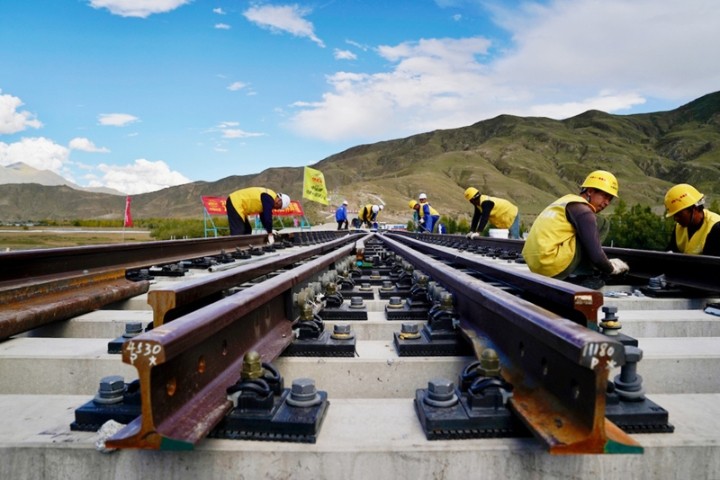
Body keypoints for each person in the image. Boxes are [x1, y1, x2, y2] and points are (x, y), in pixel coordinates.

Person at [521, 170, 629, 289]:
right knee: (602, 222)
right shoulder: (583, 211)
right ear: (590, 191)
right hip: (552, 266)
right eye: (604, 196)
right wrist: (611, 268)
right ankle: (581, 275)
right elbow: (596, 256)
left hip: (536, 265)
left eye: (610, 199)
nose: (607, 203)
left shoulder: (564, 201)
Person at [664, 184, 720, 256]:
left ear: (694, 208)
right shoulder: (679, 228)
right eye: (674, 215)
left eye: (679, 214)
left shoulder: (716, 228)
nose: (676, 218)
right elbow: (669, 253)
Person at [226, 187, 290, 244]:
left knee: (247, 230)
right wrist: (270, 234)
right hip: (235, 201)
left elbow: (263, 217)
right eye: (278, 207)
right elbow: (267, 216)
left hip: (240, 205)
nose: (275, 208)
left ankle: (243, 248)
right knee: (238, 231)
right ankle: (234, 250)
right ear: (279, 201)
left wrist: (269, 230)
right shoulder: (269, 198)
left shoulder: (269, 197)